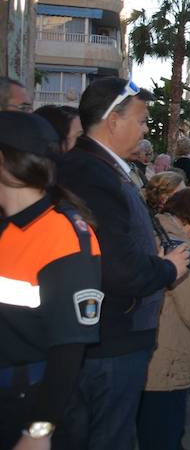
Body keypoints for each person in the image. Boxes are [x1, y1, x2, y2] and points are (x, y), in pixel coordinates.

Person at [56, 77, 190, 450]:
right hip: (111, 340)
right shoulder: (90, 172)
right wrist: (168, 269)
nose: (146, 128)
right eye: (142, 119)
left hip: (114, 338)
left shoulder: (102, 167)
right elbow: (116, 267)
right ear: (114, 120)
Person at [0, 112, 102, 449]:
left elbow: (69, 349)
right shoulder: (8, 224)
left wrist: (39, 430)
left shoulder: (63, 234)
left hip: (29, 402)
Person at [138, 188, 190, 450]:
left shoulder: (147, 232)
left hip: (145, 353)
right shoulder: (181, 249)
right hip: (169, 363)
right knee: (164, 436)